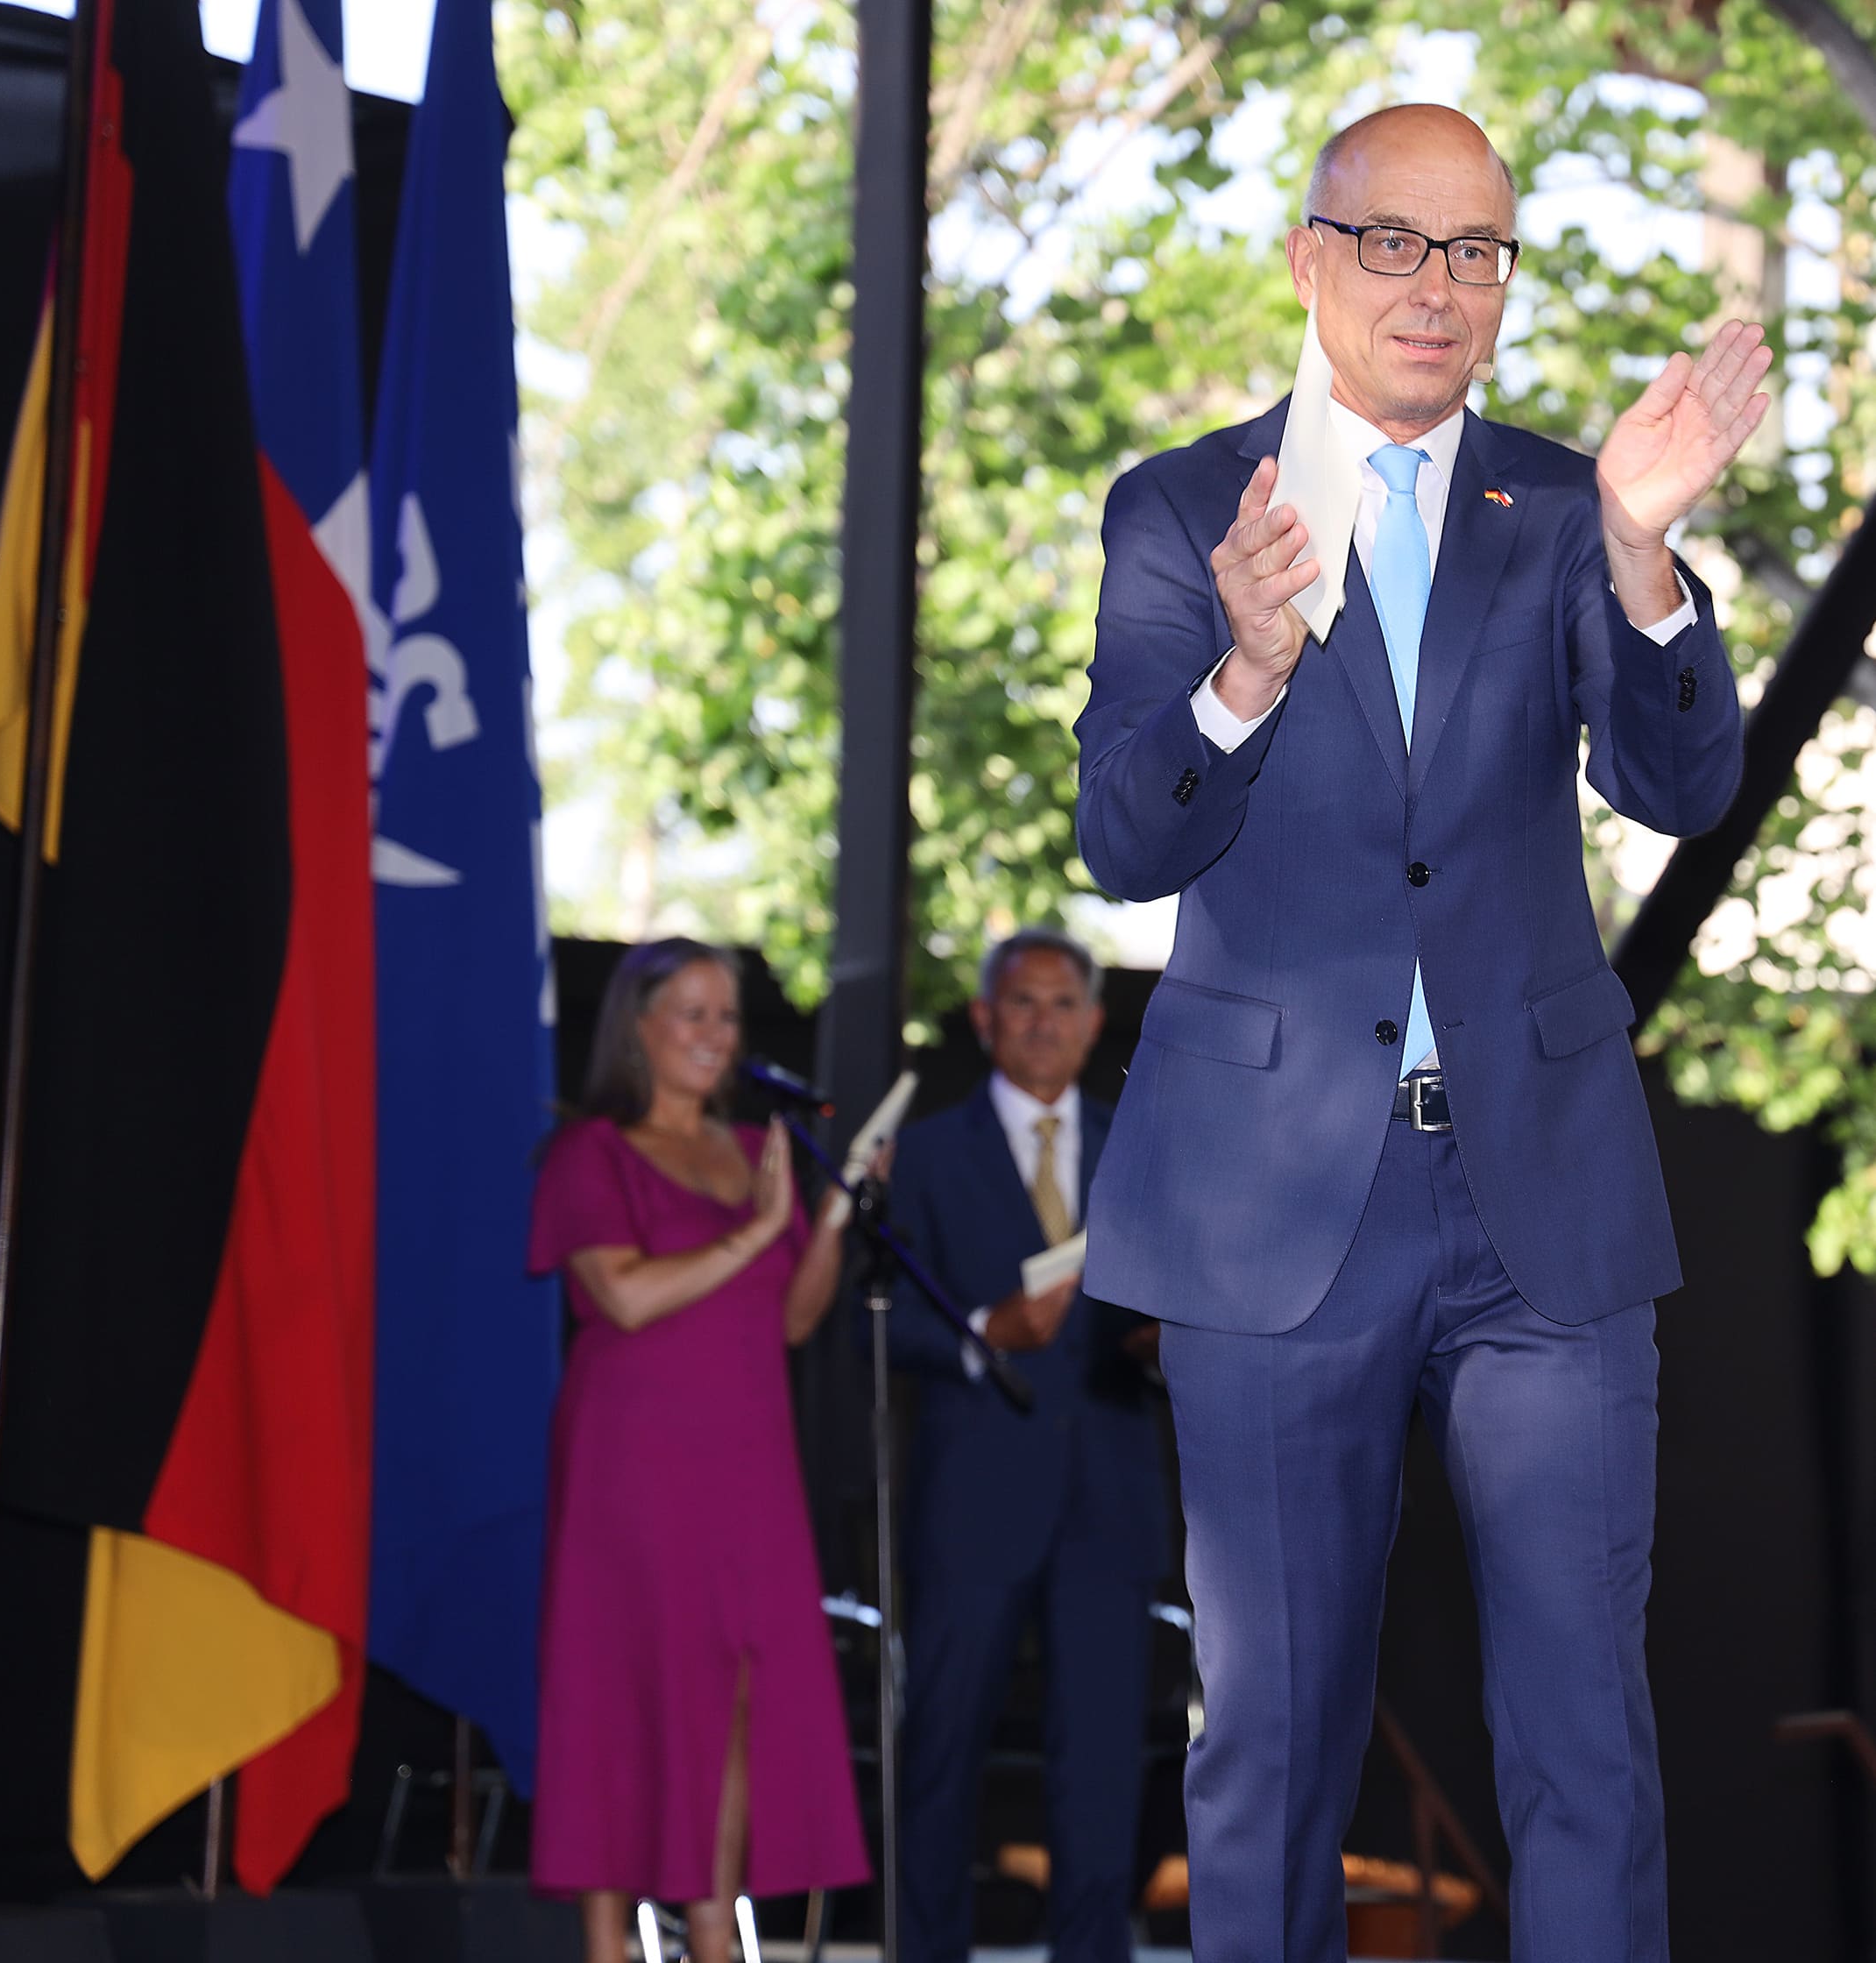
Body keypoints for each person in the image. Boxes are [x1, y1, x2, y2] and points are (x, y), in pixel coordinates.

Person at [1073, 104, 1767, 1961]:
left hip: (1539, 1204)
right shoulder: (1183, 510)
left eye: (1474, 251)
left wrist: (1641, 552)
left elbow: (1680, 785)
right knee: (1272, 1745)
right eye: (1394, 241)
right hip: (1265, 1212)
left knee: (1583, 1737)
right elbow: (1123, 839)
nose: (1436, 286)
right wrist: (1241, 670)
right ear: (1311, 258)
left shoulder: (1565, 505)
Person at [527, 938, 870, 1963]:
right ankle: (607, 1943)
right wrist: (754, 1231)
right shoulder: (591, 1150)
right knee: (621, 1686)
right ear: (637, 1026)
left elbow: (793, 1319)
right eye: (692, 1011)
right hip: (634, 1462)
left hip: (749, 1464)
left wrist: (831, 1216)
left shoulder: (755, 1150)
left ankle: (711, 1932)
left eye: (727, 1014)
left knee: (738, 1695)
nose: (717, 1034)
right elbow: (625, 1294)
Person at [884, 928, 1169, 1963]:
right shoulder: (921, 1153)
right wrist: (980, 1331)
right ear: (983, 1017)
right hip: (973, 1497)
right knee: (940, 1753)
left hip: (1108, 1499)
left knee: (1099, 1765)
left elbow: (1171, 1300)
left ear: (1093, 1023)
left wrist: (1165, 1341)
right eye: (1022, 1001)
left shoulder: (1141, 1145)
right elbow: (874, 1321)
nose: (1042, 1022)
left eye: (1062, 1003)